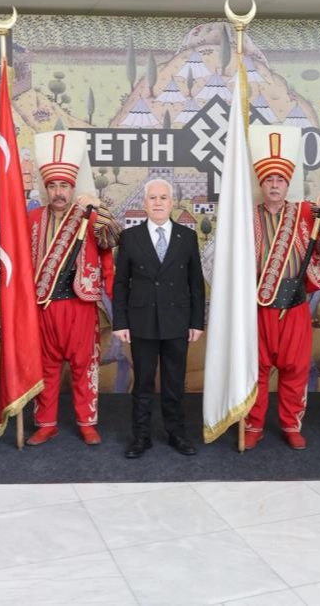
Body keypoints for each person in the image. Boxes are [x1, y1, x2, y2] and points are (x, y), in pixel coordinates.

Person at [245, 125, 320, 451]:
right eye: (269, 180)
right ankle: (253, 425)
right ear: (261, 184)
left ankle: (291, 425)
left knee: (295, 369)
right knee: (257, 370)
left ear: (287, 184)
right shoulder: (246, 217)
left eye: (280, 180)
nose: (275, 185)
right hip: (258, 307)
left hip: (294, 305)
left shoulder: (305, 211)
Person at [27, 130, 119, 446]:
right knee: (46, 368)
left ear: (73, 187)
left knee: (85, 367)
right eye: (52, 186)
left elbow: (112, 237)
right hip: (43, 306)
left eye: (64, 186)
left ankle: (86, 423)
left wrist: (98, 207)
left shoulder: (89, 215)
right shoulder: (32, 218)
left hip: (80, 305)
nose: (58, 192)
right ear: (46, 188)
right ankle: (46, 424)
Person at [113, 178, 205, 458]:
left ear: (172, 202)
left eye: (163, 197)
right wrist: (120, 322)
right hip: (142, 322)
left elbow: (196, 283)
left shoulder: (187, 237)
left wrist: (196, 322)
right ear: (144, 203)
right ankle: (141, 437)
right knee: (142, 383)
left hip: (177, 321)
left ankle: (177, 434)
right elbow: (120, 283)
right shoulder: (130, 237)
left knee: (174, 383)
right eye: (152, 198)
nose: (158, 202)